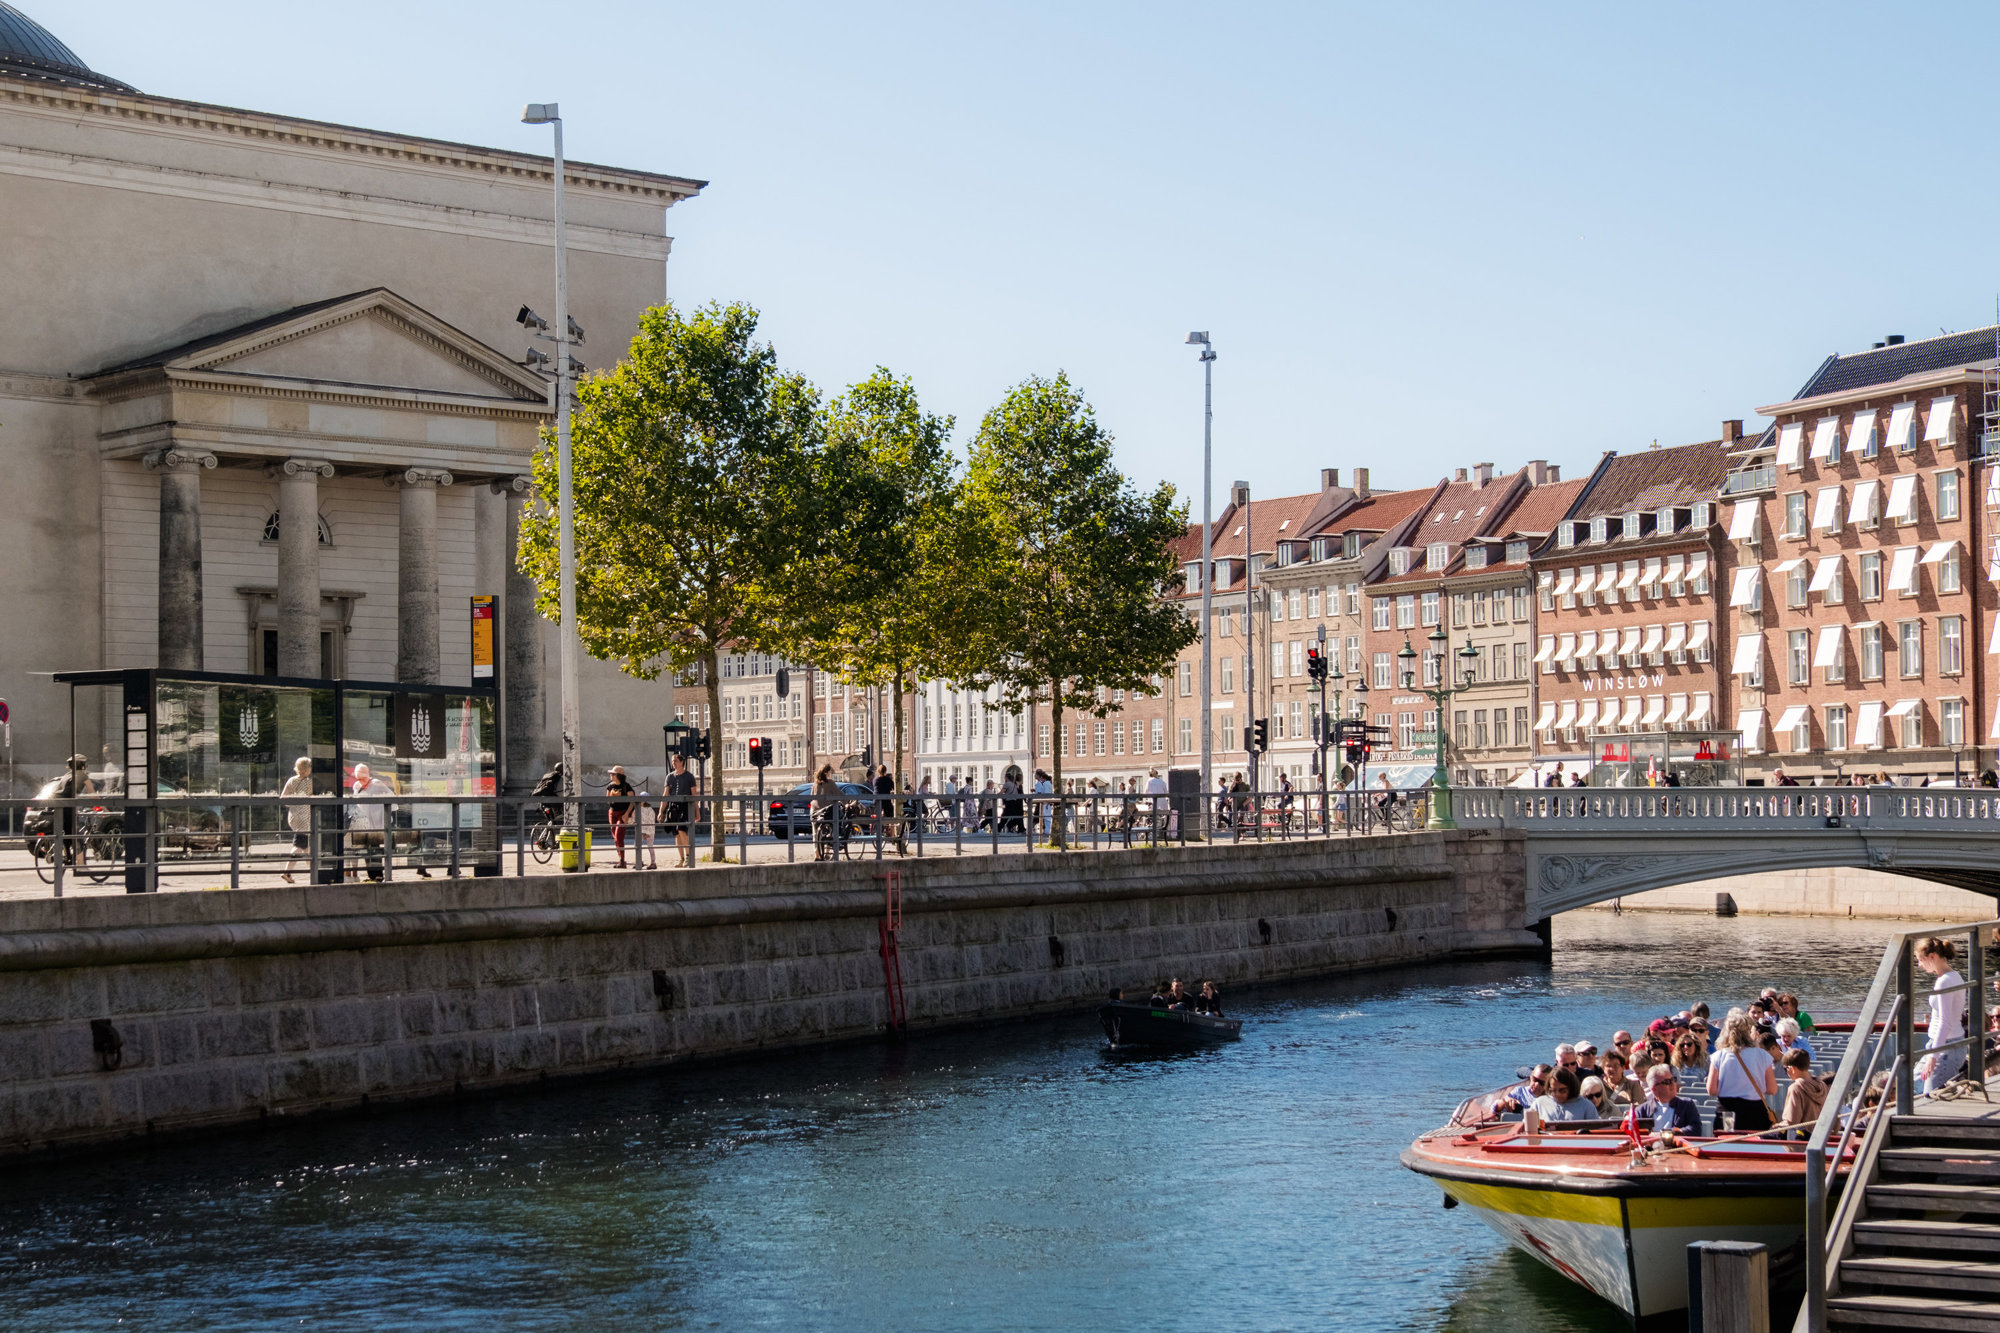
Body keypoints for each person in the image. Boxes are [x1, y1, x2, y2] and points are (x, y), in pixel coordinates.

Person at [1708, 1010, 1778, 1134]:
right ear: (1748, 1032)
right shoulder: (1762, 1055)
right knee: (1754, 1147)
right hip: (1754, 1110)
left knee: (1727, 1143)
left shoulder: (1719, 1056)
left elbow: (1711, 1090)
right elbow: (1772, 1089)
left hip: (1727, 1111)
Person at [1915, 936, 1969, 1093]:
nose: (1919, 965)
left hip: (1946, 1047)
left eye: (1921, 960)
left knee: (1930, 1095)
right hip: (1942, 1044)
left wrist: (1933, 1057)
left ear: (1932, 956)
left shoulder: (1944, 981)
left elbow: (1945, 1022)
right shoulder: (1953, 976)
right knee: (1912, 1084)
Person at [346, 763, 393, 881]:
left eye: (362, 775)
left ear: (367, 774)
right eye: (358, 775)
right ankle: (372, 875)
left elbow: (391, 798)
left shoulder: (376, 783)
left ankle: (378, 875)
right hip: (363, 822)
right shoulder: (356, 786)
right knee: (366, 849)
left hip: (376, 822)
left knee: (375, 847)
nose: (360, 778)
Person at [1638, 1067, 1703, 1138]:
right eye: (1667, 1082)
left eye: (1673, 1080)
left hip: (1677, 1148)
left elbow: (1696, 1129)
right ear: (1654, 1089)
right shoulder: (1641, 1110)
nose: (1673, 1084)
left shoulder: (1686, 1104)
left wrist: (1672, 1133)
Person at [280, 756, 315, 883]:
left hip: (293, 816)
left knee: (307, 847)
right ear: (307, 769)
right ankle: (287, 871)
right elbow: (311, 798)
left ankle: (313, 873)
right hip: (305, 818)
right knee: (299, 844)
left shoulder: (291, 780)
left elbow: (283, 799)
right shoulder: (309, 782)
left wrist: (295, 802)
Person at [1779, 1048, 1827, 1132]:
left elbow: (1792, 1122)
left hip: (1802, 1139)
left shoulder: (1795, 1089)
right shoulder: (1822, 1085)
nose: (1786, 1072)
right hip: (1823, 1137)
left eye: (1785, 1068)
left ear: (1792, 1068)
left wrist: (1775, 1127)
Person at [1531, 1067, 1597, 1124]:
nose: (1557, 1094)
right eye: (1553, 1091)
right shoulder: (1539, 1104)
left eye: (1562, 1091)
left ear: (1571, 1088)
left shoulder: (1586, 1106)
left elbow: (1596, 1132)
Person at [665, 754, 697, 868]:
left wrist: (696, 812)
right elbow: (665, 795)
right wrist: (661, 811)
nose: (674, 763)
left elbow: (694, 795)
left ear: (682, 762)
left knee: (682, 830)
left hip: (685, 806)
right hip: (673, 806)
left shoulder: (689, 777)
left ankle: (689, 856)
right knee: (677, 834)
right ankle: (681, 858)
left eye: (676, 761)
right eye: (673, 761)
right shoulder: (669, 777)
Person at [605, 765, 636, 869]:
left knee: (619, 836)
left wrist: (627, 814)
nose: (611, 775)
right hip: (612, 812)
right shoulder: (610, 786)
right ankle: (621, 860)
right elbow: (607, 800)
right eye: (611, 774)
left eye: (613, 774)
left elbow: (632, 801)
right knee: (615, 837)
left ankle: (622, 860)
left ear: (618, 775)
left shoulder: (626, 786)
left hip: (623, 813)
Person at [811, 763, 842, 862]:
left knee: (815, 833)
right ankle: (828, 852)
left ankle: (817, 854)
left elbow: (812, 796)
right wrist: (847, 802)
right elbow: (839, 794)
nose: (830, 774)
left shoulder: (815, 784)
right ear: (826, 772)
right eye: (829, 772)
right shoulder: (830, 783)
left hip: (815, 812)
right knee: (832, 828)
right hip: (826, 812)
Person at [634, 780, 658, 870]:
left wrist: (647, 832)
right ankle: (639, 861)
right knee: (637, 845)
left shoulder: (649, 810)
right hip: (640, 830)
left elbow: (651, 821)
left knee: (650, 846)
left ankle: (653, 862)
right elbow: (634, 818)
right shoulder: (637, 808)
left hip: (649, 831)